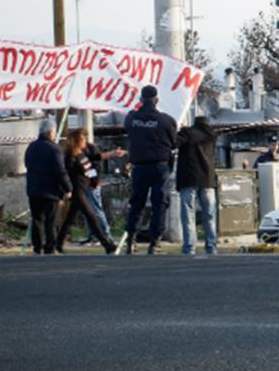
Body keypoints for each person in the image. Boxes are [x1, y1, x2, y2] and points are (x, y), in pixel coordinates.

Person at [123, 85, 178, 254]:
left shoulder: (132, 118)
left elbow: (127, 126)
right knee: (159, 205)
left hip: (139, 167)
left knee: (136, 204)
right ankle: (155, 242)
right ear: (156, 100)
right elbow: (174, 143)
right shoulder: (166, 120)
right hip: (160, 167)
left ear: (141, 100)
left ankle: (131, 240)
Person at [56, 129, 118, 254]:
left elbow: (94, 162)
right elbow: (64, 174)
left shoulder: (82, 154)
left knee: (69, 218)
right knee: (92, 217)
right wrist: (64, 192)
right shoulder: (70, 156)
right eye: (83, 139)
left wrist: (113, 154)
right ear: (78, 141)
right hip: (77, 191)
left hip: (84, 189)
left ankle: (58, 243)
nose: (85, 141)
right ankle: (107, 244)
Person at [24, 118, 72, 255]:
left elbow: (27, 164)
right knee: (51, 220)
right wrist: (68, 188)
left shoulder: (31, 147)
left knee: (37, 219)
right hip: (50, 190)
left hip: (33, 189)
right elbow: (60, 171)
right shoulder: (54, 149)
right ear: (51, 132)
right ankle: (50, 247)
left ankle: (37, 247)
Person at [176, 115, 218, 255]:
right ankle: (211, 246)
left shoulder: (187, 133)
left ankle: (189, 247)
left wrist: (179, 130)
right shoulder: (212, 136)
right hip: (208, 179)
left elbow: (174, 143)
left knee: (188, 214)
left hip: (189, 178)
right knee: (210, 215)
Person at [80, 140, 126, 245]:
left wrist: (90, 178)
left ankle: (105, 234)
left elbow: (96, 169)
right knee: (88, 211)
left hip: (92, 185)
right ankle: (93, 234)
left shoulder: (90, 153)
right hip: (87, 185)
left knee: (96, 209)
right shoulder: (82, 152)